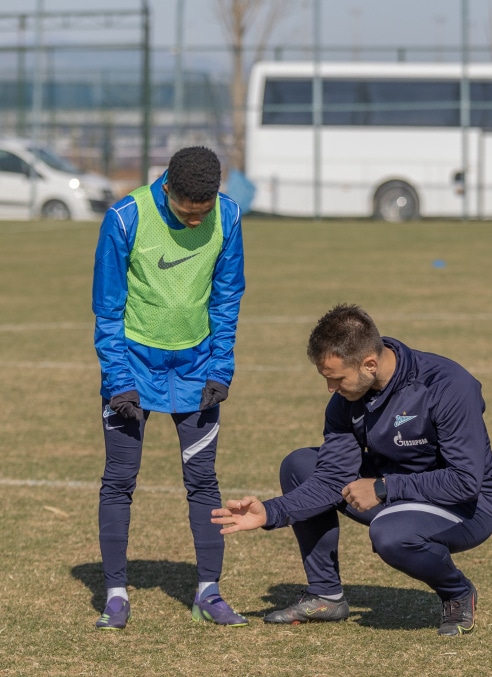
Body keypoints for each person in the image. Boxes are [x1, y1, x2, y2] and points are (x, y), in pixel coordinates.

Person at [211, 304, 492, 636]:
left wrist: (382, 487)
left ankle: (457, 592)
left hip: (465, 506)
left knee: (390, 534)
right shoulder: (346, 401)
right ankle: (326, 595)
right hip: (391, 494)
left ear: (369, 364)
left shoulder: (446, 385)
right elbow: (330, 478)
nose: (330, 389)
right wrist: (271, 511)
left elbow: (465, 481)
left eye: (337, 379)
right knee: (300, 465)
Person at [92, 146, 247, 629]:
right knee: (120, 480)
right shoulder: (124, 217)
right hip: (133, 367)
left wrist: (221, 367)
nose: (197, 219)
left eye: (205, 211)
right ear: (167, 190)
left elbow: (227, 297)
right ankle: (115, 595)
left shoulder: (229, 216)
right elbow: (107, 307)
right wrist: (118, 379)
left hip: (198, 368)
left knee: (203, 481)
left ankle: (209, 591)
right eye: (187, 211)